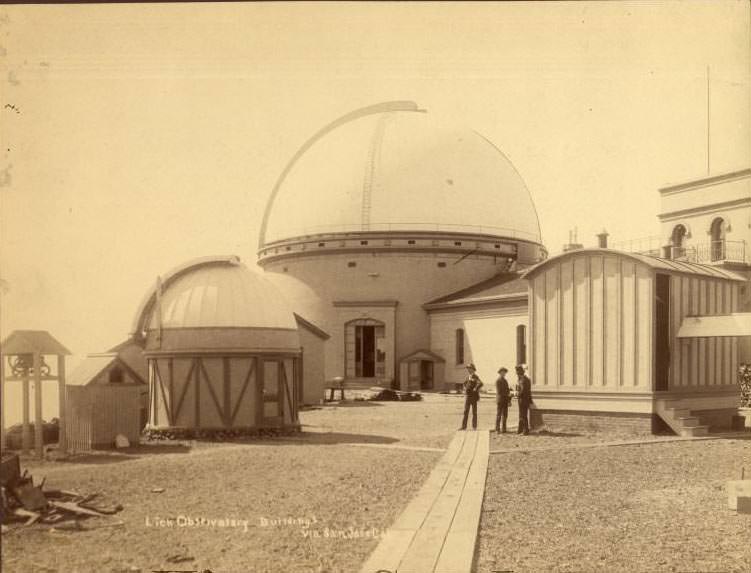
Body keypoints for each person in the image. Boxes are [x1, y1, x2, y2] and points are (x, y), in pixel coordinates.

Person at [459, 363, 483, 430]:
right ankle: (464, 426)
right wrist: (465, 389)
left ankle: (474, 426)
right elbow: (464, 383)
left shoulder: (475, 377)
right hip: (468, 397)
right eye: (468, 369)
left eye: (470, 369)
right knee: (466, 411)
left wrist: (476, 388)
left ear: (473, 369)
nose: (469, 370)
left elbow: (480, 383)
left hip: (473, 397)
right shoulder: (468, 377)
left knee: (474, 412)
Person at [515, 365, 533, 435]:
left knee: (523, 415)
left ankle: (525, 431)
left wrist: (516, 394)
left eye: (517, 372)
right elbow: (528, 391)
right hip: (525, 400)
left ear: (519, 372)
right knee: (522, 415)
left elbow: (522, 390)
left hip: (522, 400)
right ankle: (520, 430)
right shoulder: (526, 379)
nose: (517, 374)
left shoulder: (522, 380)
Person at [494, 367, 511, 433]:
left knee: (505, 415)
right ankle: (497, 429)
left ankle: (504, 428)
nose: (504, 373)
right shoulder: (498, 381)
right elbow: (499, 391)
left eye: (505, 372)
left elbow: (507, 390)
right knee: (499, 414)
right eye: (502, 372)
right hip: (500, 400)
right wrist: (507, 395)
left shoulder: (505, 381)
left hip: (505, 400)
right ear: (500, 373)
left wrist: (509, 400)